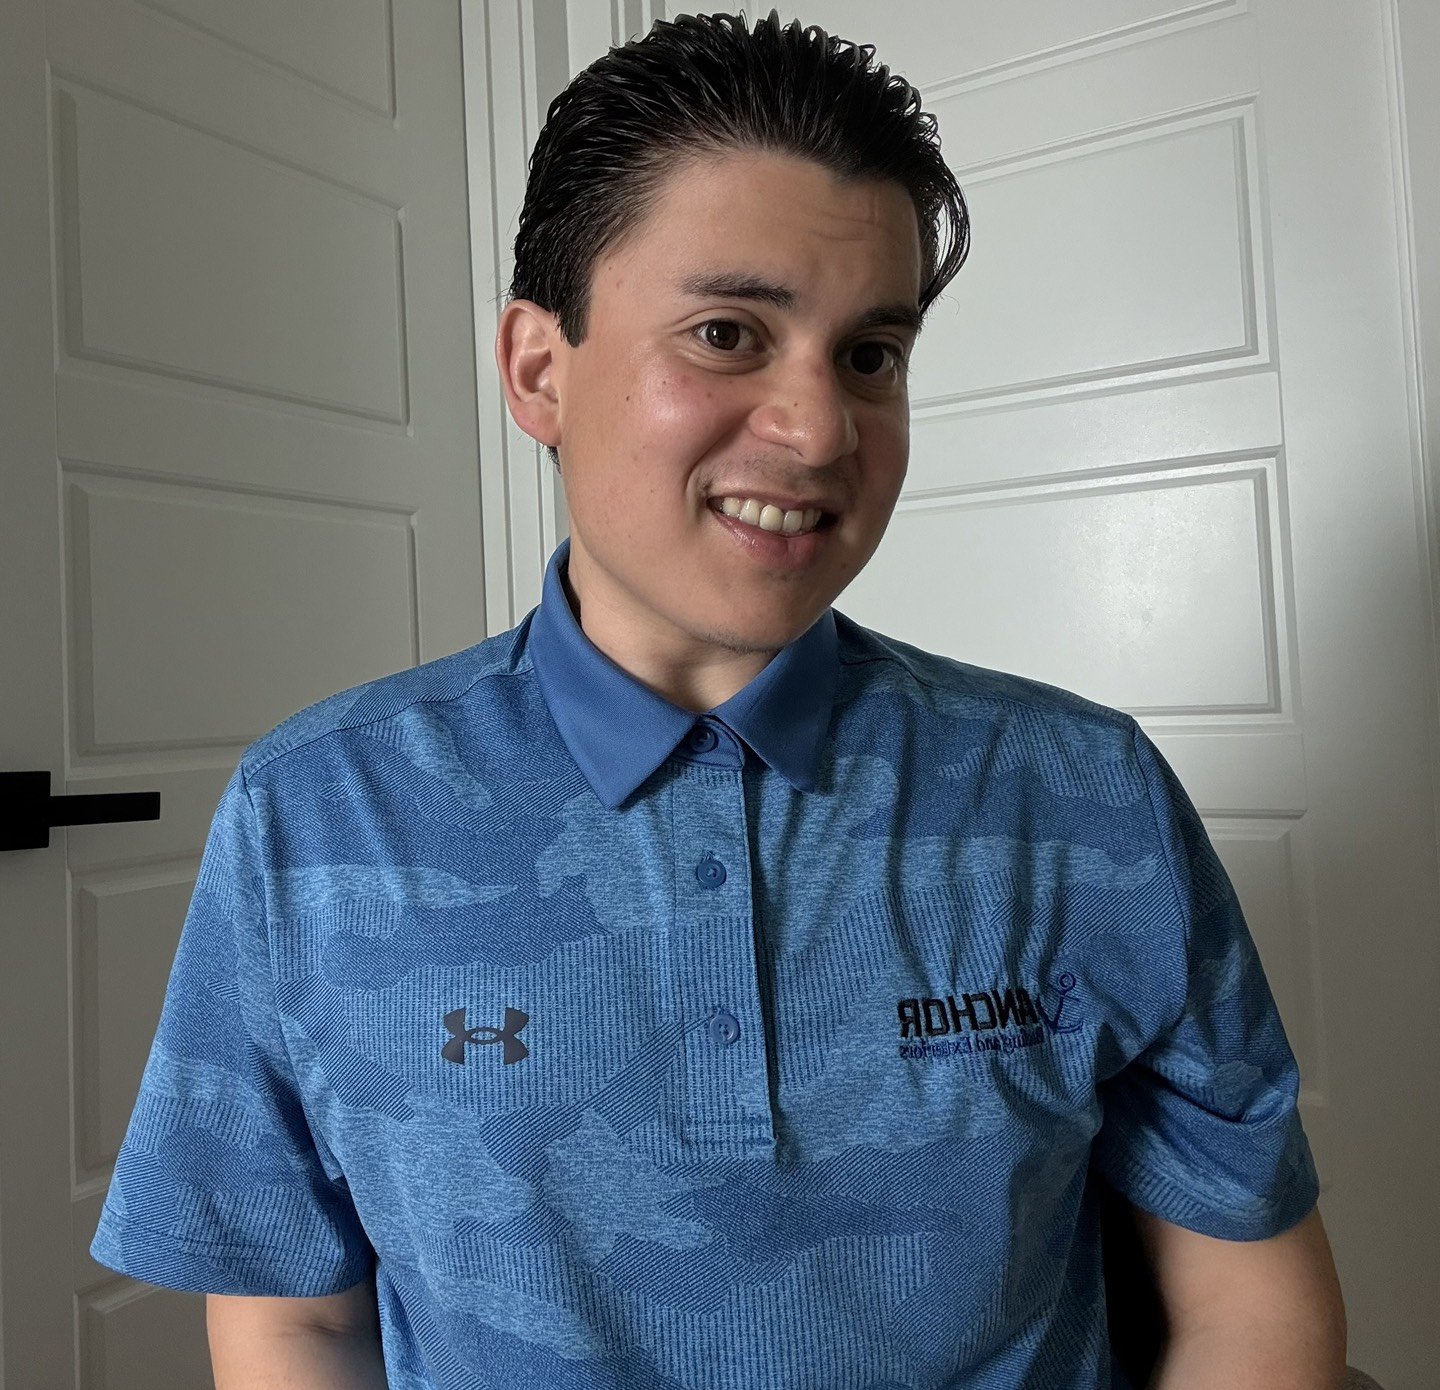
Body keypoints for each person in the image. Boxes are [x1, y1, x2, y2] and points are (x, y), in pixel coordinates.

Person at [91, 10, 1347, 1388]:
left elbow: (1249, 1299)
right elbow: (294, 1318)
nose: (820, 430)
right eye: (728, 333)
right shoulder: (316, 812)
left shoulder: (1085, 793)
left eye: (870, 354)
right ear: (538, 369)